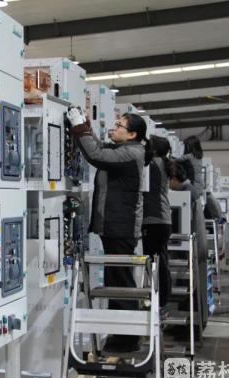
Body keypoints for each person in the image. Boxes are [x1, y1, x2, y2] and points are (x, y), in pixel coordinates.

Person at [67, 107, 149, 352]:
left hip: (121, 227)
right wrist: (85, 127)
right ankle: (121, 334)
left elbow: (96, 155)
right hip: (115, 225)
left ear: (132, 134)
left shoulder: (131, 153)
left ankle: (128, 338)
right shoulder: (124, 149)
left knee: (121, 281)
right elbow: (99, 147)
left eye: (119, 125)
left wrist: (79, 127)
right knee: (117, 280)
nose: (114, 128)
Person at [169, 160, 209, 328]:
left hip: (190, 248)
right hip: (196, 245)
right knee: (191, 287)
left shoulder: (185, 193)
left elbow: (179, 223)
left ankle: (188, 326)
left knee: (188, 288)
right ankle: (189, 324)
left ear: (174, 178)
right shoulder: (192, 190)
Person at [142, 136, 172, 308]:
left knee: (155, 263)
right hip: (162, 220)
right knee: (160, 261)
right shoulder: (162, 163)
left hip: (154, 219)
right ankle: (162, 299)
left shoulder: (153, 164)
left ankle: (159, 300)